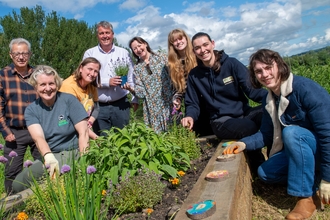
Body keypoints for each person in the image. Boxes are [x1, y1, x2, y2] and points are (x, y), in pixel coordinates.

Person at [223, 49, 330, 219]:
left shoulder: (305, 90)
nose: (264, 74)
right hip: (305, 153)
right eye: (259, 71)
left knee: (292, 132)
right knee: (266, 173)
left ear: (279, 66)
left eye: (268, 67)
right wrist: (243, 143)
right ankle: (313, 179)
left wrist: (328, 178)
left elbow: (327, 134)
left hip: (322, 150)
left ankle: (306, 197)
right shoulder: (270, 99)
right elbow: (266, 134)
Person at [180, 32, 267, 173]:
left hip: (244, 113)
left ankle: (276, 158)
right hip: (221, 121)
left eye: (205, 45)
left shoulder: (231, 64)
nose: (203, 50)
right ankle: (258, 168)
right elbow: (192, 103)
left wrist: (275, 97)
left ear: (212, 44)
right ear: (193, 51)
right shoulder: (195, 76)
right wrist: (190, 116)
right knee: (248, 127)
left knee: (269, 113)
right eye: (197, 48)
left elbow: (253, 91)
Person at [12, 65, 89, 193]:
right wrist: (48, 157)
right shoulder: (32, 110)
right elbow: (38, 137)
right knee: (19, 184)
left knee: (44, 187)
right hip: (51, 155)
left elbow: (83, 132)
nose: (48, 88)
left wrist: (84, 159)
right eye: (42, 85)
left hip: (72, 151)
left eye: (51, 84)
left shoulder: (68, 100)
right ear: (35, 86)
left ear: (57, 84)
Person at [0, 38, 41, 194]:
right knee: (12, 171)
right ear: (11, 55)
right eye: (17, 53)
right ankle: (11, 207)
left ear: (30, 54)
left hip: (39, 129)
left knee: (43, 165)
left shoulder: (39, 73)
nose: (21, 57)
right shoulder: (3, 75)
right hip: (15, 132)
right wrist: (5, 131)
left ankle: (38, 199)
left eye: (24, 53)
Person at [83, 21, 138, 136]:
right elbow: (85, 78)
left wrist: (134, 98)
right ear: (97, 36)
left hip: (121, 105)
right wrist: (107, 82)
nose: (105, 36)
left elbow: (131, 77)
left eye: (107, 33)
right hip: (98, 106)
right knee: (102, 141)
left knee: (123, 139)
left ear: (112, 34)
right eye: (101, 33)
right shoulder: (90, 53)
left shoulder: (123, 53)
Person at [167, 29, 213, 136]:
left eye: (180, 38)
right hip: (191, 102)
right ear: (172, 44)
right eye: (175, 40)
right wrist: (177, 99)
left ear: (186, 39)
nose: (178, 42)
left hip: (207, 97)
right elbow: (178, 89)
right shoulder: (172, 64)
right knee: (200, 133)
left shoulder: (198, 55)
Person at [123, 37, 173, 133]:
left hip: (168, 104)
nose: (138, 49)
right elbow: (141, 93)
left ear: (145, 44)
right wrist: (130, 88)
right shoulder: (137, 68)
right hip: (152, 109)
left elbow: (173, 78)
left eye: (139, 45)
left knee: (174, 132)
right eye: (134, 48)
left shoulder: (161, 58)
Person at [59, 57, 101, 140]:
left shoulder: (92, 87)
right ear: (81, 68)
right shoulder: (68, 86)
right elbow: (73, 118)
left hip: (83, 129)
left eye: (96, 71)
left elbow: (96, 108)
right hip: (66, 131)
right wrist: (96, 138)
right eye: (90, 69)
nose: (92, 74)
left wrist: (90, 121)